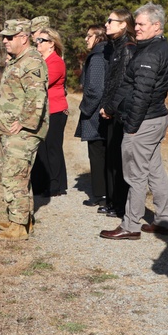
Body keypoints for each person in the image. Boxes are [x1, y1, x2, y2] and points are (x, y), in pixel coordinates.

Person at [100, 3, 168, 240]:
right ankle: (164, 220)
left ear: (157, 26)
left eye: (142, 24)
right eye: (137, 23)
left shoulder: (151, 53)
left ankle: (130, 225)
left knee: (135, 175)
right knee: (155, 172)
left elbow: (142, 94)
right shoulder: (153, 48)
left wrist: (131, 128)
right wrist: (111, 107)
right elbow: (127, 85)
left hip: (144, 121)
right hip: (155, 118)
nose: (137, 28)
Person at [0, 19, 49, 240]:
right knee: (12, 175)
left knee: (15, 176)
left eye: (10, 37)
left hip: (23, 133)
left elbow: (37, 96)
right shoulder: (19, 60)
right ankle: (19, 218)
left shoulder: (31, 62)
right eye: (4, 37)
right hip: (12, 130)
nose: (5, 40)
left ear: (23, 38)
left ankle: (20, 226)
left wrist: (25, 122)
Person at [98, 9, 135, 219]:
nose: (106, 24)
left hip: (119, 112)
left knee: (120, 161)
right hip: (111, 109)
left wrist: (110, 107)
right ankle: (113, 201)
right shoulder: (115, 47)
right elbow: (110, 82)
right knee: (112, 159)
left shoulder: (127, 48)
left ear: (123, 24)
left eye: (111, 20)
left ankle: (120, 204)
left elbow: (122, 83)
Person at [31, 25, 69, 198]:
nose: (37, 43)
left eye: (42, 40)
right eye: (37, 40)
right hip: (44, 111)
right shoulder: (42, 61)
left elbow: (41, 83)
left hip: (55, 110)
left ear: (51, 44)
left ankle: (55, 185)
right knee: (43, 149)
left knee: (52, 148)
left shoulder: (55, 62)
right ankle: (47, 183)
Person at [76, 25, 108, 207]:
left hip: (96, 114)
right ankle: (104, 194)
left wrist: (85, 109)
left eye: (89, 36)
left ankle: (100, 195)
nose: (85, 39)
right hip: (101, 112)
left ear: (98, 36)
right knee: (102, 153)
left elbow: (95, 89)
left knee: (97, 154)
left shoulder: (97, 57)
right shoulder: (104, 53)